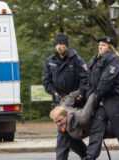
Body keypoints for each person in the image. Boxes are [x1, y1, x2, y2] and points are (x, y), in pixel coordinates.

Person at [84, 36, 119, 160]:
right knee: (96, 130)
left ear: (110, 47)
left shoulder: (114, 59)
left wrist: (97, 97)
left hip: (115, 101)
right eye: (99, 45)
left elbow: (106, 81)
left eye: (103, 45)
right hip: (101, 100)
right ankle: (90, 156)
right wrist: (90, 97)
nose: (100, 47)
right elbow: (89, 81)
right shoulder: (95, 59)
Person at [42, 32, 89, 160]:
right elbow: (46, 82)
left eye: (61, 44)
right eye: (57, 44)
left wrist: (81, 93)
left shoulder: (77, 60)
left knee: (70, 133)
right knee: (64, 134)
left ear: (66, 45)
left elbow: (85, 79)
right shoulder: (50, 61)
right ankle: (87, 156)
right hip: (59, 103)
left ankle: (87, 156)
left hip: (74, 104)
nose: (59, 47)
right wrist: (56, 94)